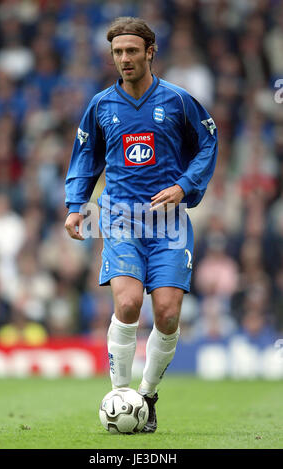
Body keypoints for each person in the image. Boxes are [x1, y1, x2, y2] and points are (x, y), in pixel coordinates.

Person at [64, 17, 218, 433]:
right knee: (128, 304)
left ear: (150, 52)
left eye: (132, 51)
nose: (124, 59)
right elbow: (84, 157)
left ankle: (147, 396)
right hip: (118, 219)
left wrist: (185, 186)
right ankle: (119, 394)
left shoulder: (179, 100)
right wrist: (77, 205)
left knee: (167, 313)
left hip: (169, 223)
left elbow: (208, 141)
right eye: (117, 52)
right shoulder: (101, 105)